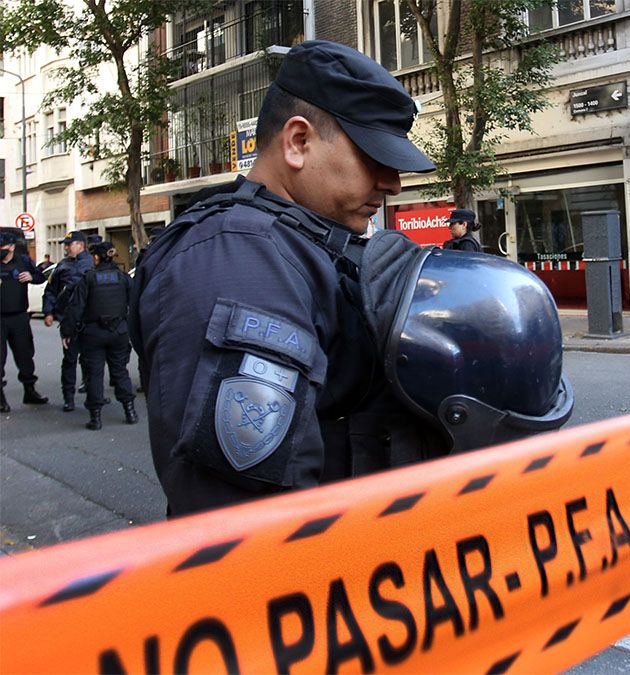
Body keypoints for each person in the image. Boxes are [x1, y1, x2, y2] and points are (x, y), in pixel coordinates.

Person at [131, 40, 571, 518]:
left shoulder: (307, 242)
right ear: (298, 142)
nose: (392, 183)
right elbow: (251, 524)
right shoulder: (236, 260)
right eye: (373, 157)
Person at [60, 241, 137, 430]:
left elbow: (76, 307)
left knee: (94, 374)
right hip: (118, 331)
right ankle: (130, 411)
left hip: (93, 333)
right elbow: (134, 303)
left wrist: (67, 332)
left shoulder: (89, 278)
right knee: (120, 371)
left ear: (96, 257)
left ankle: (96, 418)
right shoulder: (123, 277)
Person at [42, 231, 94, 411]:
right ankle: (69, 397)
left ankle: (94, 394)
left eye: (69, 244)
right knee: (70, 360)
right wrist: (48, 312)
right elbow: (50, 290)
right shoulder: (62, 266)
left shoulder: (93, 263)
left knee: (91, 360)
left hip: (90, 320)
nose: (66, 248)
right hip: (69, 320)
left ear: (80, 244)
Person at [0, 228, 48, 412]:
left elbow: (41, 276)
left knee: (25, 355)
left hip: (19, 316)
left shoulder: (24, 261)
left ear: (12, 247)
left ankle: (30, 391)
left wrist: (31, 276)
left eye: (3, 246)